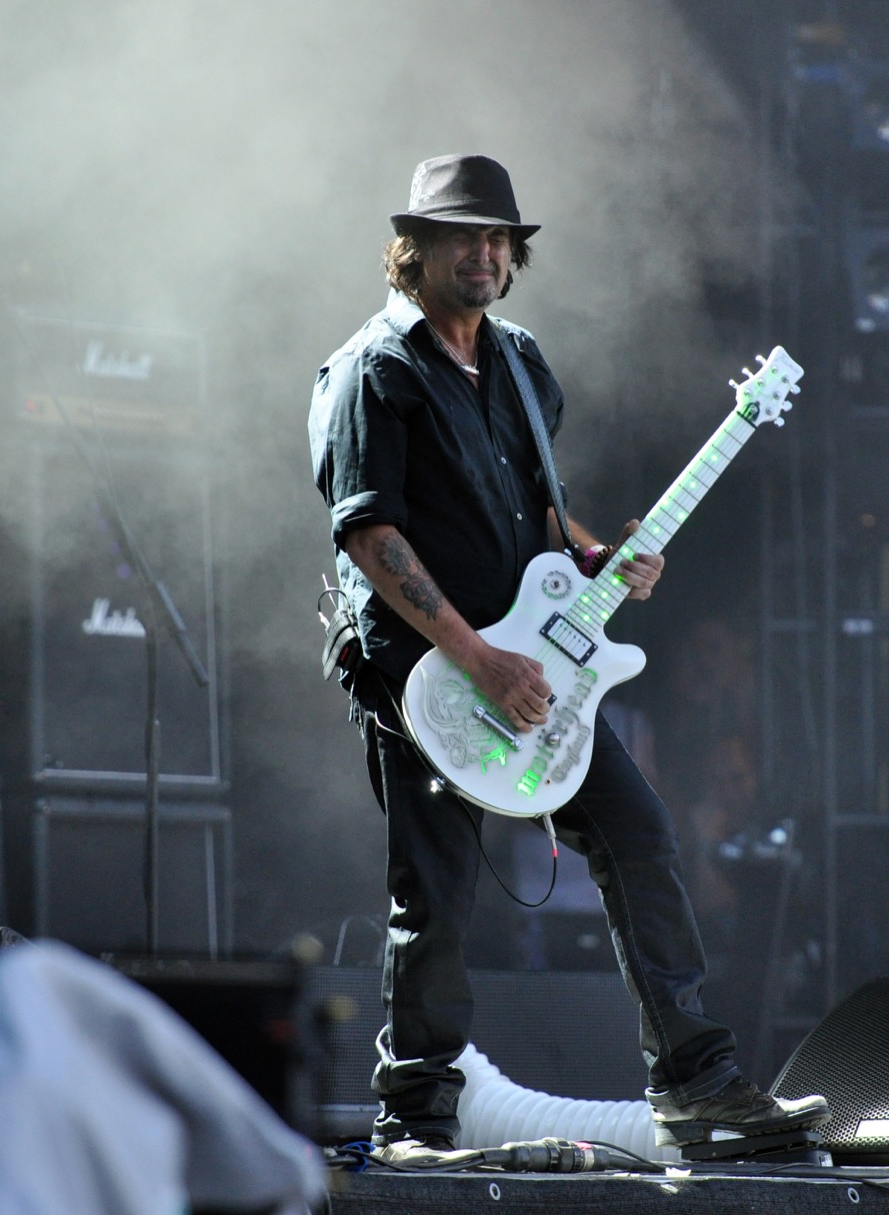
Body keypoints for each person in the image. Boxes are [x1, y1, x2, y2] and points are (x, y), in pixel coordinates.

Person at [307, 153, 828, 1163]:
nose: (486, 253)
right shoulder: (375, 371)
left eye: (500, 238)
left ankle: (695, 1082)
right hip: (423, 672)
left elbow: (532, 511)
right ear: (413, 250)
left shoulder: (521, 362)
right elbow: (371, 535)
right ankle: (412, 1116)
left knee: (637, 834)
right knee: (437, 891)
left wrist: (595, 556)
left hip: (532, 661)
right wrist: (476, 662)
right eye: (464, 236)